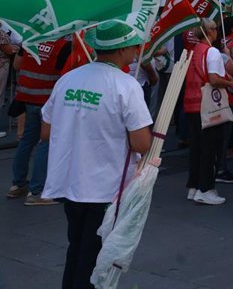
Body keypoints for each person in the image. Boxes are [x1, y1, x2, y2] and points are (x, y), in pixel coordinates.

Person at [40, 21, 152, 289]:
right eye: (133, 46)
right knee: (96, 255)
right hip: (105, 186)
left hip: (69, 182)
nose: (136, 51)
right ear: (122, 50)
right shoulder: (126, 85)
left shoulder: (69, 79)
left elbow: (46, 131)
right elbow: (141, 143)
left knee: (77, 245)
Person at [9, 34, 75, 206]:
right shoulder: (63, 46)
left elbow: (17, 65)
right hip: (48, 100)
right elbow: (66, 76)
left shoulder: (29, 40)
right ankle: (37, 191)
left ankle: (18, 184)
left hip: (28, 96)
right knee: (46, 142)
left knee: (27, 140)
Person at [183, 19, 233, 205]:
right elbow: (213, 79)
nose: (217, 32)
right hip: (208, 107)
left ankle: (194, 186)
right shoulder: (211, 51)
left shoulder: (192, 51)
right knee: (210, 149)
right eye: (215, 29)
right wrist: (230, 83)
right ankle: (206, 189)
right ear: (210, 32)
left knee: (197, 148)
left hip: (192, 104)